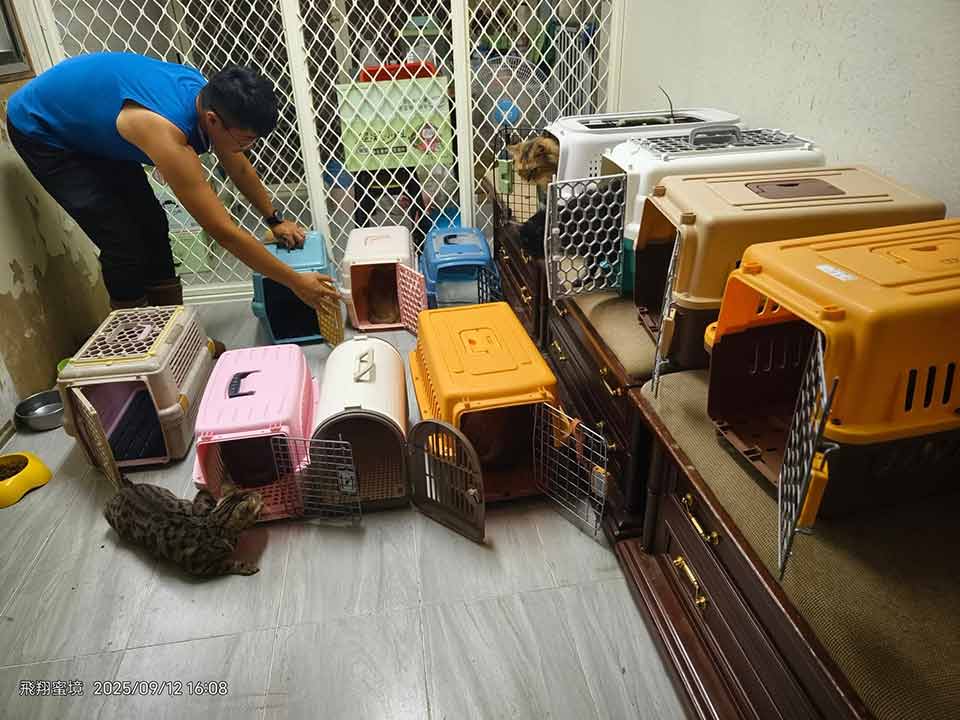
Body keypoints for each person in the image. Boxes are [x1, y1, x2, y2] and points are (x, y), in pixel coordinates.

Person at [6, 51, 338, 354]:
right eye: (247, 138)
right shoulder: (165, 132)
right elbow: (223, 232)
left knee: (152, 224)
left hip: (90, 122)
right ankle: (137, 348)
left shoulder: (208, 96)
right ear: (212, 120)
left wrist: (274, 219)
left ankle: (177, 339)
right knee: (122, 241)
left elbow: (236, 163)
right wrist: (295, 282)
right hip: (43, 130)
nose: (249, 147)